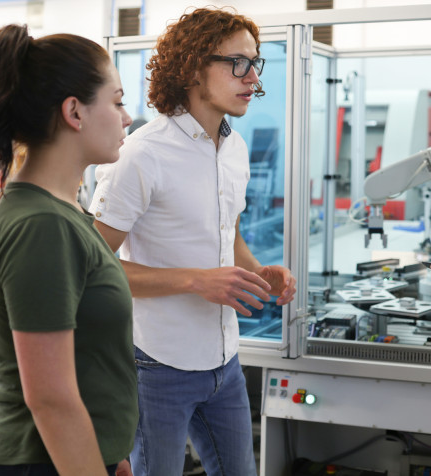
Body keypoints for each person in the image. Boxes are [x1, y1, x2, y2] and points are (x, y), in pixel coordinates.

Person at [88, 7, 296, 476]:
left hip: (225, 361)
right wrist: (195, 281)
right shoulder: (141, 154)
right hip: (156, 363)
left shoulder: (235, 148)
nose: (252, 77)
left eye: (255, 63)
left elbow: (229, 233)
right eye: (238, 63)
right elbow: (93, 267)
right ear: (193, 68)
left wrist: (260, 270)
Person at [0, 24, 136, 476]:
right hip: (38, 462)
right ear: (74, 111)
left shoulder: (62, 211)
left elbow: (87, 360)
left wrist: (111, 454)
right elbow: (50, 398)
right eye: (116, 101)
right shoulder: (42, 225)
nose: (127, 117)